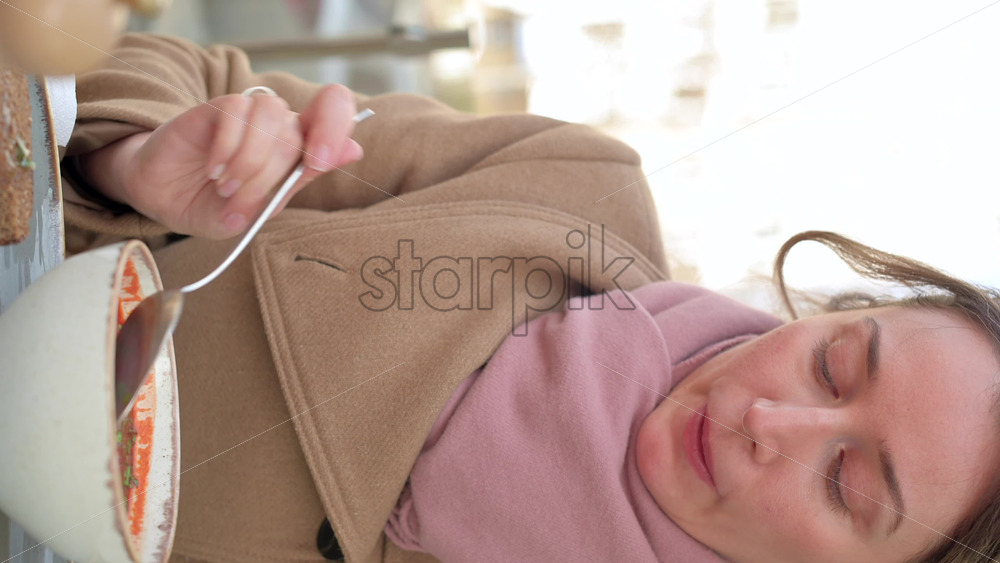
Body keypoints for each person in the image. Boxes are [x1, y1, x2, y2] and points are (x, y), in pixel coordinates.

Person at [61, 33, 1000, 563]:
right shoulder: (569, 188)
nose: (766, 416)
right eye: (831, 361)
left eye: (847, 483)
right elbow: (187, 76)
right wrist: (131, 161)